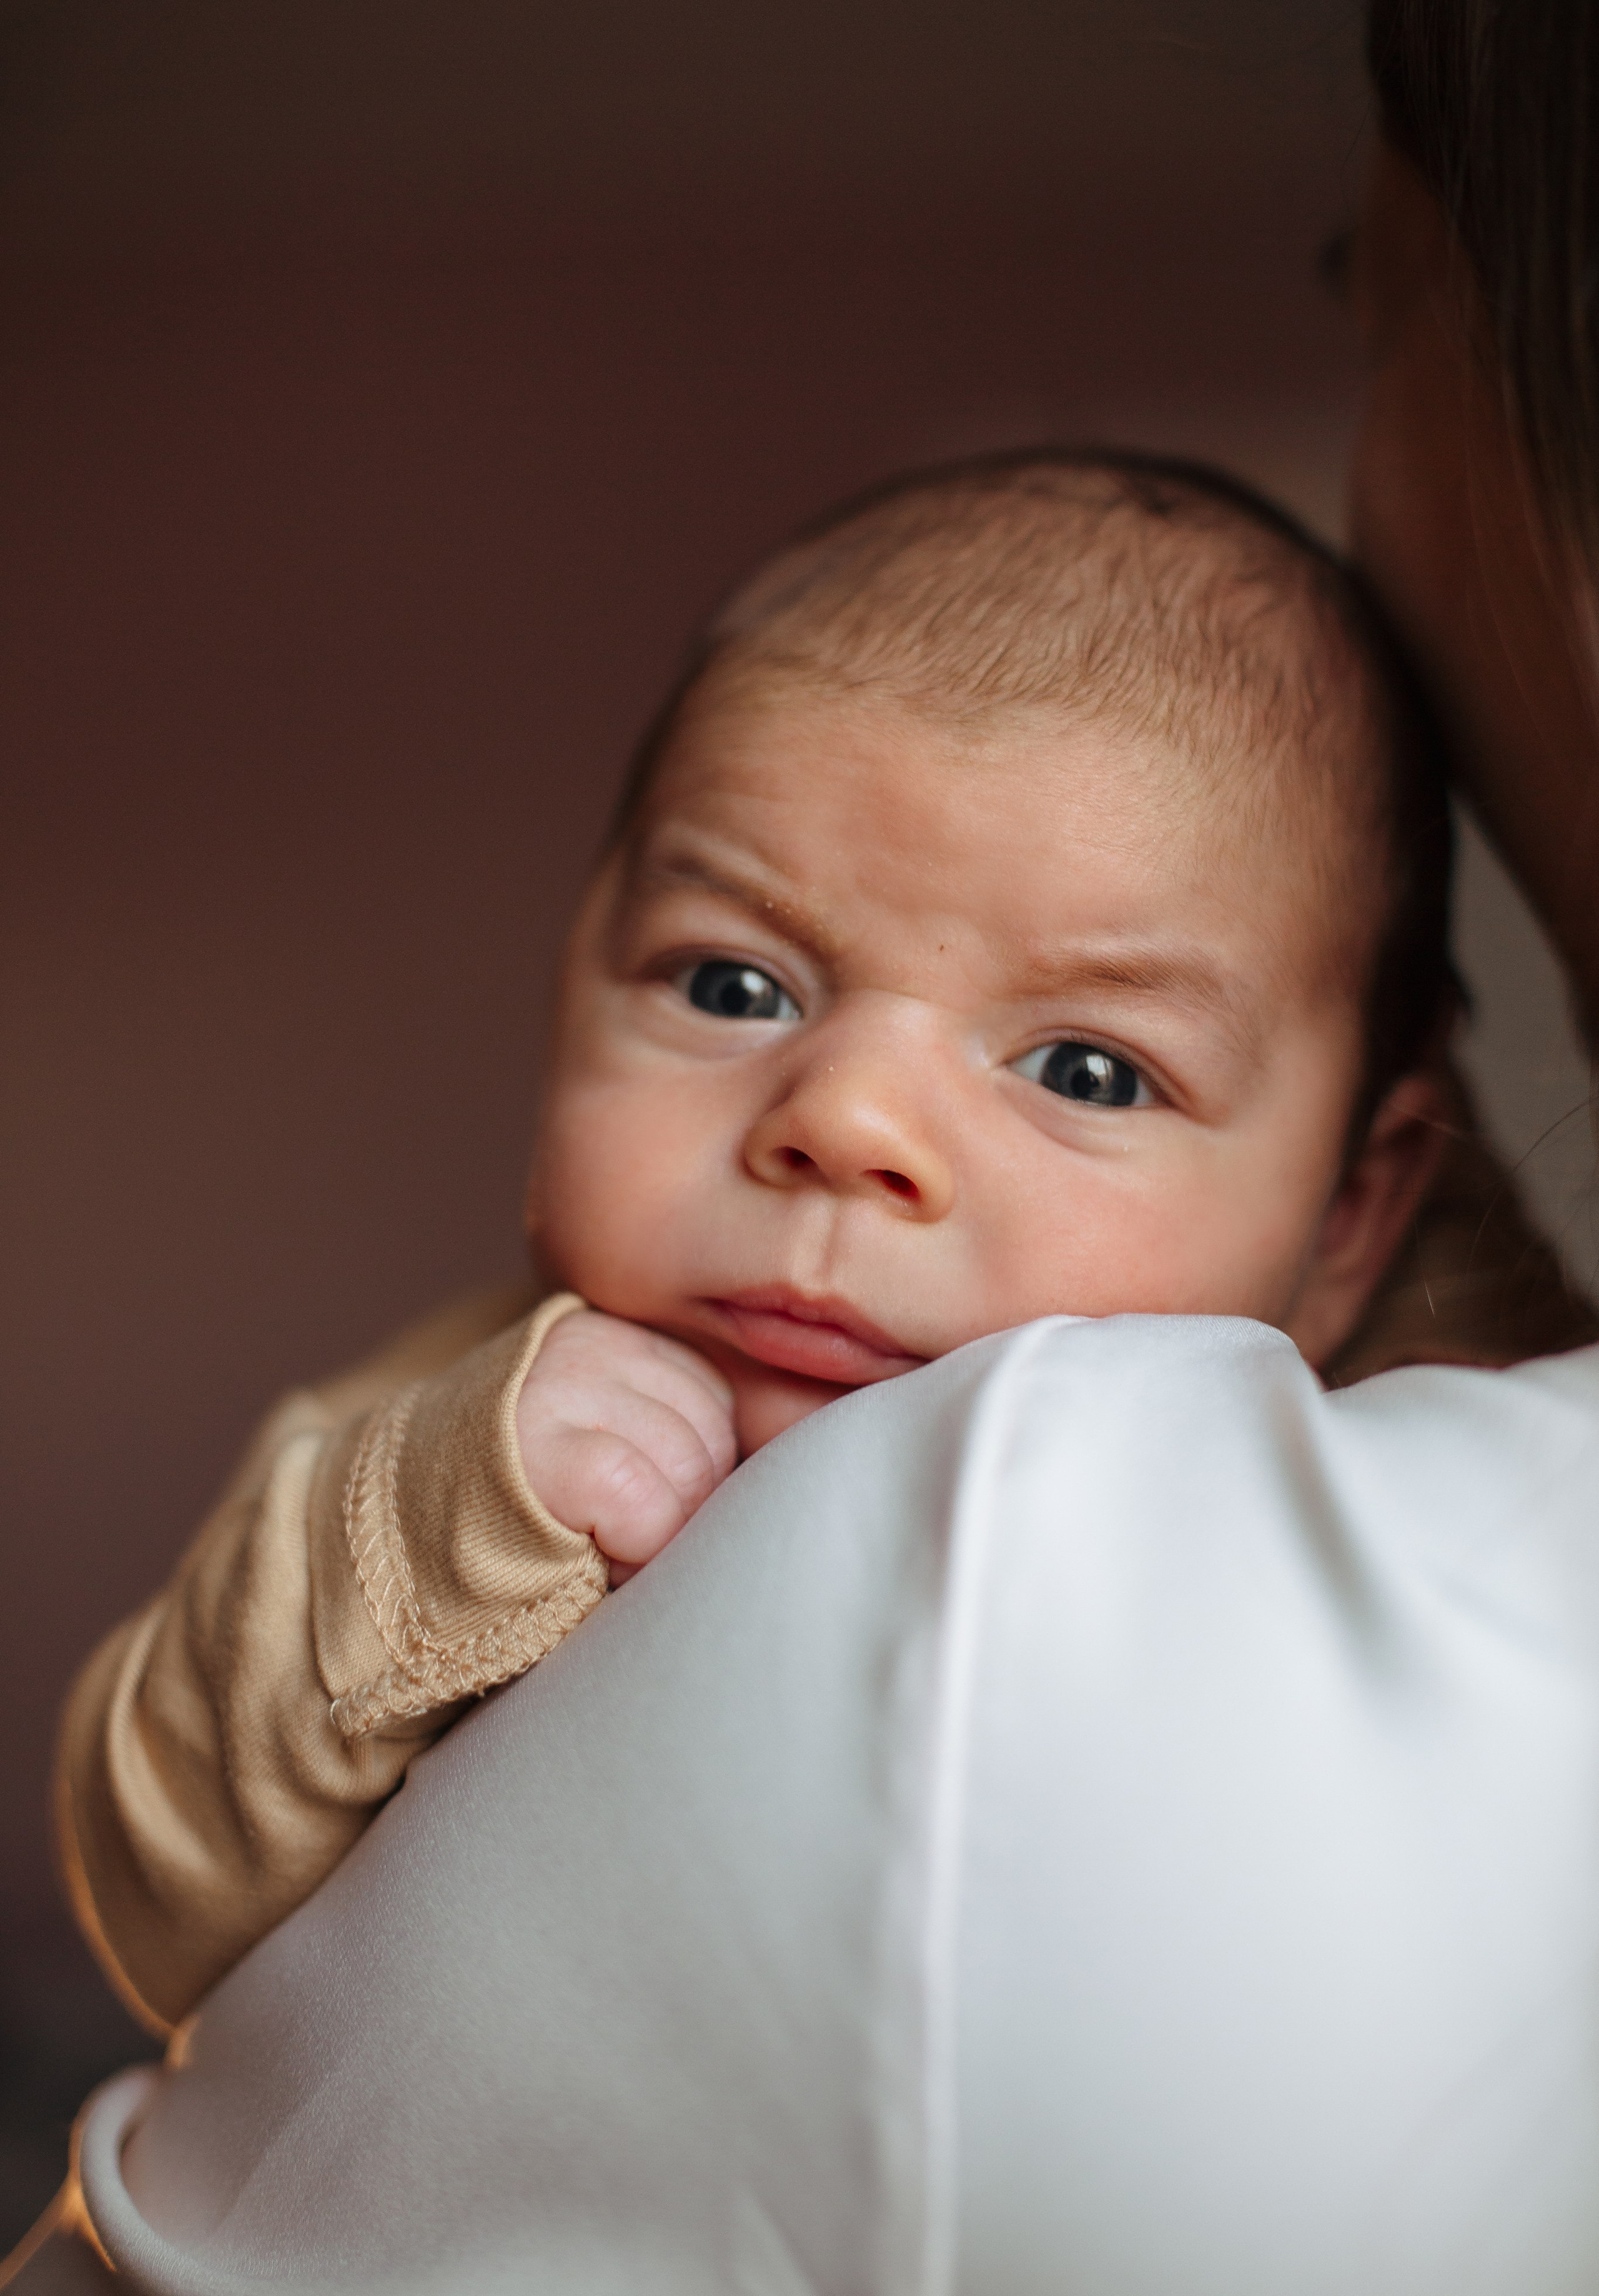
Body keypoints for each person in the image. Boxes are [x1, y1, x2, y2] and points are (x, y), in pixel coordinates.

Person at [58, 446, 1588, 2040]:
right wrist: (442, 1527)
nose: (845, 1121)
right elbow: (147, 1898)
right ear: (574, 967)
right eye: (731, 984)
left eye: (1084, 1069)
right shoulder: (470, 1435)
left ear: (1351, 1213)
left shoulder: (1391, 1442)